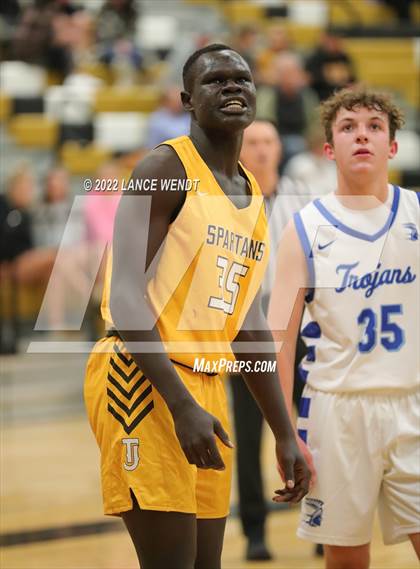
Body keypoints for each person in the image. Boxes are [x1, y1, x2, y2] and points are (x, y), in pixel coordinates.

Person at [84, 44, 311, 569]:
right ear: (187, 100)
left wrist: (284, 432)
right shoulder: (164, 168)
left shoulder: (250, 194)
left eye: (242, 78)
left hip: (208, 382)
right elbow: (125, 298)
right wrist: (180, 404)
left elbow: (247, 322)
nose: (232, 86)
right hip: (144, 378)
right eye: (215, 80)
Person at [269, 87, 419, 569]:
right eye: (348, 127)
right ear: (329, 148)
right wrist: (283, 430)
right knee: (346, 559)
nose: (362, 136)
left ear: (392, 146)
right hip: (337, 411)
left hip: (413, 404)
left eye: (374, 127)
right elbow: (279, 341)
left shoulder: (417, 214)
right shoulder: (305, 228)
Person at [230, 119, 312, 561]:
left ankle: (323, 522)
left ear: (279, 148)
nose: (261, 150)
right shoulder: (227, 199)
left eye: (268, 142)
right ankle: (254, 532)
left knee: (315, 429)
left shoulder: (304, 199)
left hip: (302, 335)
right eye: (253, 142)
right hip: (246, 336)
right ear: (241, 149)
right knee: (248, 438)